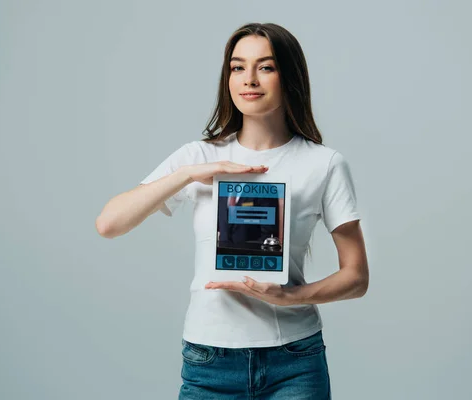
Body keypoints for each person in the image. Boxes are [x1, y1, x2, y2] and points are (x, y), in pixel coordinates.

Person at [95, 22, 369, 400]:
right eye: (238, 67)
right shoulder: (199, 156)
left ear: (289, 76)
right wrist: (190, 174)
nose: (249, 79)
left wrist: (291, 296)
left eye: (266, 67)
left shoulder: (324, 164)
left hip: (294, 359)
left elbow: (356, 276)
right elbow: (109, 223)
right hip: (209, 361)